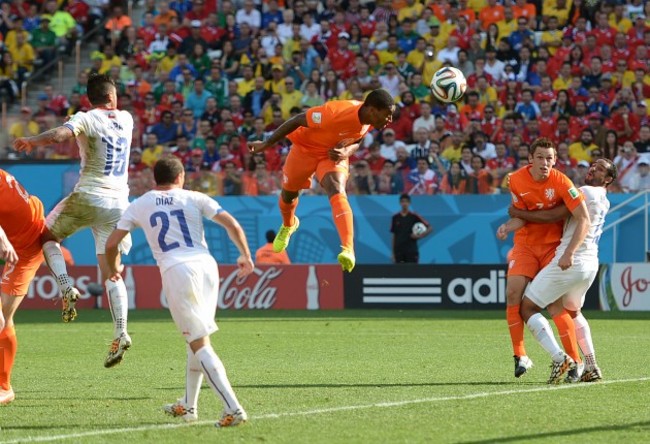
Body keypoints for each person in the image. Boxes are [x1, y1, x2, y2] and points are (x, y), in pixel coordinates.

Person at [104, 157, 253, 428]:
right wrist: (245, 255)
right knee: (195, 339)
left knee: (199, 342)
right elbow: (232, 223)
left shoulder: (140, 203)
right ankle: (189, 405)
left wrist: (114, 267)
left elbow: (112, 242)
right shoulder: (194, 197)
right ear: (181, 176)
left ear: (154, 179)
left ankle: (233, 408)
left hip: (177, 270)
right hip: (207, 267)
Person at [13, 73, 134, 368]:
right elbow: (94, 125)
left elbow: (59, 135)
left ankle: (66, 285)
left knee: (47, 237)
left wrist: (32, 140)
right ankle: (121, 330)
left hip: (89, 195)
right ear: (112, 97)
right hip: (118, 205)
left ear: (90, 98)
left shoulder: (85, 117)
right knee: (113, 273)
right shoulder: (128, 119)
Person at [248, 89, 395, 272]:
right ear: (372, 109)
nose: (390, 120)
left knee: (336, 189)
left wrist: (346, 152)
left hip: (331, 154)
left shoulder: (370, 120)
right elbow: (297, 120)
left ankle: (348, 249)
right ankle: (289, 225)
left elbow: (358, 139)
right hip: (304, 150)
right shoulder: (333, 114)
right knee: (288, 195)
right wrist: (266, 144)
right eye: (387, 115)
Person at [505, 158, 617, 384]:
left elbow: (552, 214)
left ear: (608, 180)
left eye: (601, 169)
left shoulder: (586, 191)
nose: (593, 168)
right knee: (573, 312)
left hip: (570, 261)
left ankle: (561, 358)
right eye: (593, 165)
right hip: (590, 264)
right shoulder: (604, 200)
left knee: (527, 307)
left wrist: (520, 210)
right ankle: (591, 365)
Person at [496, 137, 589, 378]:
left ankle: (575, 362)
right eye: (540, 157)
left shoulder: (562, 182)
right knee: (512, 294)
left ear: (555, 161)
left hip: (552, 248)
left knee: (554, 305)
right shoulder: (516, 180)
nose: (545, 162)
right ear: (530, 159)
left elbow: (582, 217)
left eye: (549, 158)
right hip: (525, 244)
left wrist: (569, 253)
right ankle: (521, 355)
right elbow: (522, 216)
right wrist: (508, 226)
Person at [0, 169, 46, 404]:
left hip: (26, 243)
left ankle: (4, 387)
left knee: (2, 317)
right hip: (11, 236)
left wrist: (2, 237)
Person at [390, 194, 432, 263]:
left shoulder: (414, 216)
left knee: (413, 273)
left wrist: (420, 236)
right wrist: (393, 253)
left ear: (409, 203)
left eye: (406, 202)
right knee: (399, 273)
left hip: (411, 251)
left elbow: (430, 228)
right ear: (400, 203)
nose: (404, 204)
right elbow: (393, 235)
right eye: (402, 202)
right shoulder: (395, 217)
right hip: (398, 252)